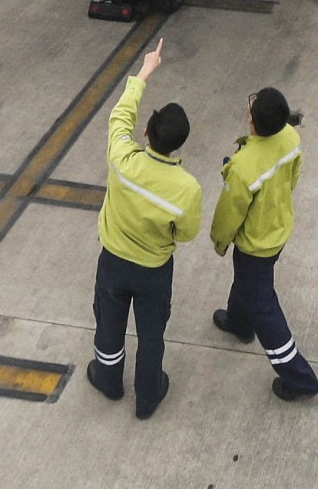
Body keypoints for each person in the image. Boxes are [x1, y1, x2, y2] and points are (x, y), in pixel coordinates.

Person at [87, 38, 202, 420]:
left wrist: (145, 72)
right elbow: (186, 234)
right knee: (151, 334)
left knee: (109, 322)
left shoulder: (123, 158)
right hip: (154, 271)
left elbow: (119, 117)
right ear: (178, 145)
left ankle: (108, 378)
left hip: (114, 262)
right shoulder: (187, 187)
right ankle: (148, 394)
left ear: (147, 134)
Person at [209, 86, 318, 402]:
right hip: (277, 229)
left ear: (252, 121)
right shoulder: (290, 139)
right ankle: (238, 322)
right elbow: (292, 179)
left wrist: (220, 242)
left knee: (264, 307)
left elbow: (229, 213)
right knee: (247, 283)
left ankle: (300, 378)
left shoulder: (244, 167)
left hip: (255, 244)